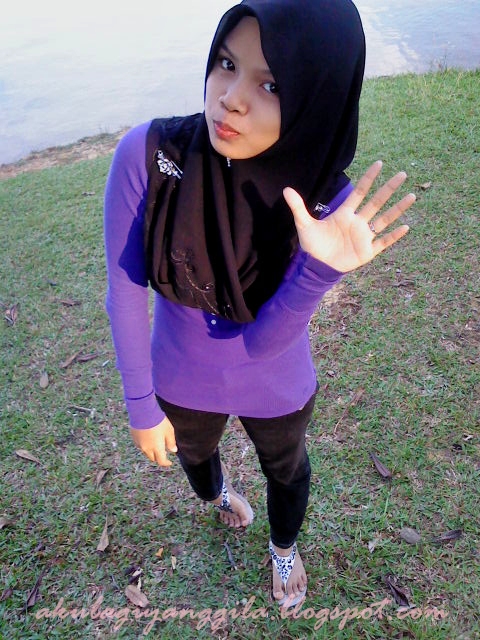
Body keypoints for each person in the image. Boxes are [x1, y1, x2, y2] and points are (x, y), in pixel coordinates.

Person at [104, 0, 415, 609]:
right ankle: (219, 495)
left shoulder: (326, 206)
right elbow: (124, 290)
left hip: (275, 380)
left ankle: (283, 548)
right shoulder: (150, 155)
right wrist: (140, 403)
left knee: (287, 471)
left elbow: (262, 343)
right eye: (227, 63)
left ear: (316, 97)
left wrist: (319, 271)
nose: (230, 99)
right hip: (179, 378)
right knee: (196, 461)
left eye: (270, 84)